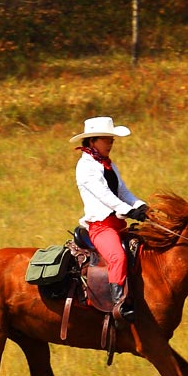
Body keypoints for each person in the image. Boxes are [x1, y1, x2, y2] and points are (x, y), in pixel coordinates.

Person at [69, 116, 148, 321]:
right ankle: (118, 303)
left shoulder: (108, 165)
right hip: (101, 227)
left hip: (118, 224)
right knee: (117, 257)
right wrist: (129, 211)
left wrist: (140, 206)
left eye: (111, 139)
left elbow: (123, 192)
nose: (111, 143)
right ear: (93, 141)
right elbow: (105, 196)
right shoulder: (85, 167)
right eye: (106, 139)